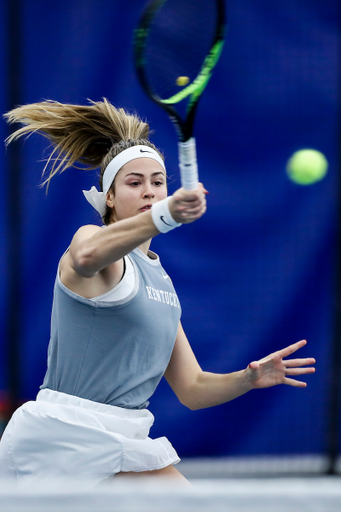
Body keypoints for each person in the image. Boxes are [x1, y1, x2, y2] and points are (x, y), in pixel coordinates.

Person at [0, 99, 315, 484]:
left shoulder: (161, 282)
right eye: (134, 183)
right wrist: (163, 217)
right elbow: (85, 257)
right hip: (65, 436)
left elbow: (193, 388)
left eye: (158, 182)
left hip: (121, 437)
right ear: (109, 196)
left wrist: (248, 379)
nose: (149, 191)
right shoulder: (92, 241)